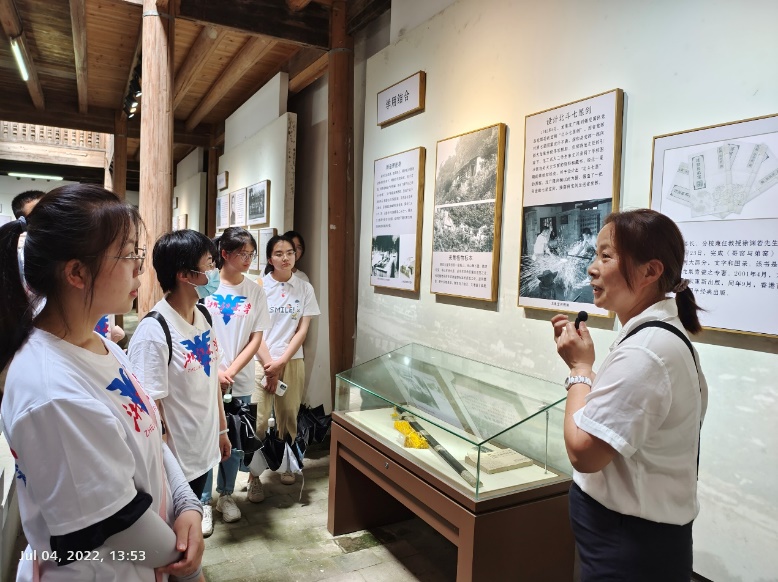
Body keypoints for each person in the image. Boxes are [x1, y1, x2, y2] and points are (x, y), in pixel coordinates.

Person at [0, 184, 204, 581]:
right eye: (128, 255)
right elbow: (117, 526)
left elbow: (148, 430)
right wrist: (188, 568)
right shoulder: (51, 393)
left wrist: (186, 502)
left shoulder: (96, 342)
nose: (139, 270)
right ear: (76, 272)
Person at [551, 208, 708, 582]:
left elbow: (584, 452)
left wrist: (579, 370)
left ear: (650, 271)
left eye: (606, 257)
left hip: (629, 546)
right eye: (595, 254)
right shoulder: (654, 338)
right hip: (630, 538)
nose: (592, 267)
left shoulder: (645, 352)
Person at [127, 230, 232, 539]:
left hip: (203, 450)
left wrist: (222, 431)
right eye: (210, 263)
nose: (216, 271)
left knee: (189, 541)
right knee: (176, 543)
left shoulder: (203, 316)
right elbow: (151, 412)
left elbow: (212, 381)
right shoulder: (154, 332)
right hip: (175, 468)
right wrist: (166, 472)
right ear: (185, 274)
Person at [201, 227, 270, 522]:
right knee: (205, 438)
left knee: (234, 438)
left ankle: (226, 495)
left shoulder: (254, 290)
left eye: (251, 254)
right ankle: (202, 501)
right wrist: (215, 370)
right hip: (204, 375)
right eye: (243, 253)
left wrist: (231, 370)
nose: (248, 259)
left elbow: (256, 337)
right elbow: (195, 329)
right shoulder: (205, 288)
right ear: (225, 254)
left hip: (237, 379)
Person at [255, 234, 320, 487]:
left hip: (292, 360)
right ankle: (254, 476)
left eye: (290, 253)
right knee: (259, 420)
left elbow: (302, 331)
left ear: (296, 255)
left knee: (289, 416)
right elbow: (255, 330)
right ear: (270, 259)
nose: (285, 258)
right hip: (261, 360)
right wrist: (271, 364)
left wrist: (282, 361)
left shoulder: (304, 287)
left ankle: (286, 465)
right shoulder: (259, 286)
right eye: (279, 253)